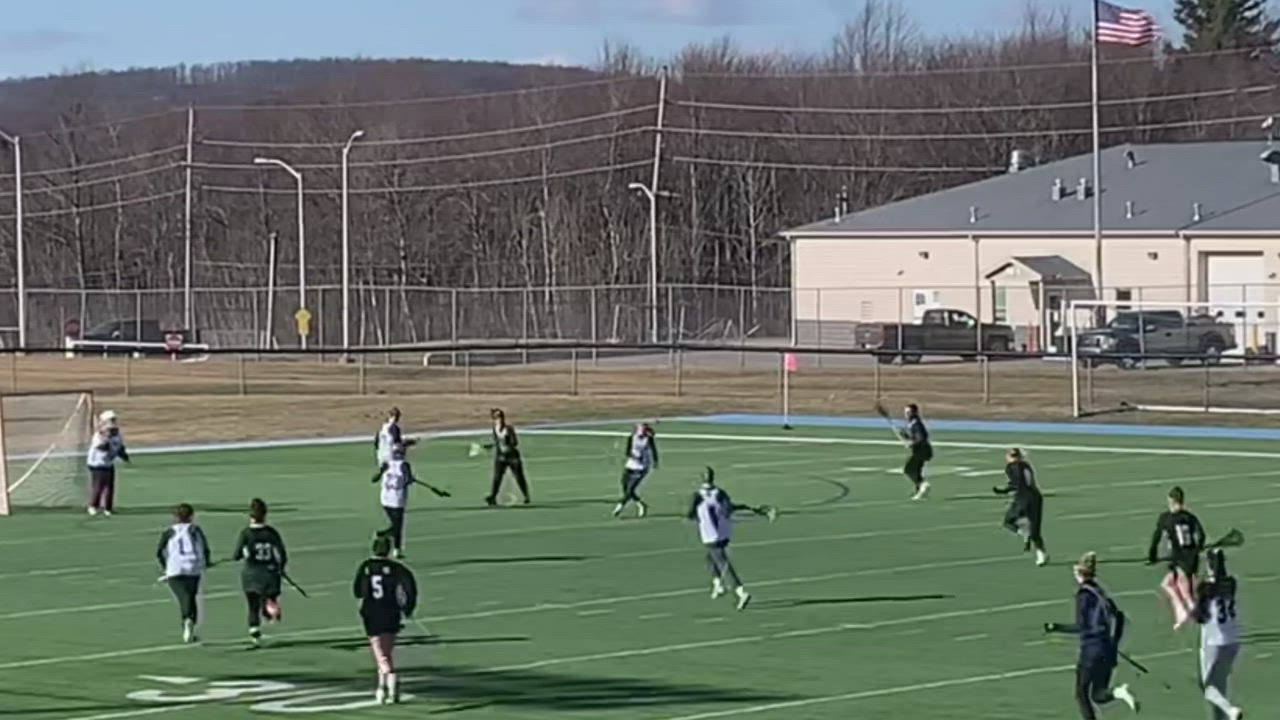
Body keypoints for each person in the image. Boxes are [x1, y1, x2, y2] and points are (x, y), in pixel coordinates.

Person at [1045, 552, 1140, 719]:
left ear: (1080, 573)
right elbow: (1119, 617)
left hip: (1091, 650)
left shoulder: (1083, 596)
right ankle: (1118, 692)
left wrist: (1057, 627)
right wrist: (1113, 643)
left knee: (1081, 693)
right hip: (1106, 648)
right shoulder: (1100, 592)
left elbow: (1081, 626)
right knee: (1098, 694)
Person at [353, 534, 419, 704]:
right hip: (391, 613)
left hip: (372, 615)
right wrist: (408, 608)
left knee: (381, 655)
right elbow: (410, 587)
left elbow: (358, 591)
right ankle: (382, 688)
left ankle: (391, 682)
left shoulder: (366, 567)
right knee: (386, 653)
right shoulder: (397, 568)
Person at [687, 467, 751, 611]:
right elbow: (728, 509)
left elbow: (690, 514)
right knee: (709, 558)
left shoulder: (697, 496)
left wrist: (699, 516)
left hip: (710, 535)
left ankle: (740, 592)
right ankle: (718, 584)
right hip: (723, 533)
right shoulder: (720, 493)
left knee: (722, 563)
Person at [1194, 549, 1245, 720]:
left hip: (1214, 641)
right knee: (1219, 688)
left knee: (1208, 687)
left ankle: (1231, 711)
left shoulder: (1205, 589)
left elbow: (1199, 616)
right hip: (1233, 641)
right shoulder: (1230, 584)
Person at [1147, 486, 1206, 630]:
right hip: (1192, 557)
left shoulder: (1166, 518)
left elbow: (1156, 538)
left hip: (1178, 558)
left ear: (1172, 501)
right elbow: (1201, 535)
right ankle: (1186, 612)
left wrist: (1152, 556)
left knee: (1181, 589)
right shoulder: (1190, 517)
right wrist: (1198, 548)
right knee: (1171, 584)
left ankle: (1186, 610)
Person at [232, 498, 288, 647]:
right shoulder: (271, 533)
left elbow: (236, 555)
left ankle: (254, 631)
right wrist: (281, 568)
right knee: (270, 597)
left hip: (251, 574)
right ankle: (270, 609)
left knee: (252, 605)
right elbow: (282, 554)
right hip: (269, 573)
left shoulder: (246, 533)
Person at [156, 503, 211, 644]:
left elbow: (159, 552)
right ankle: (189, 621)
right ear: (191, 516)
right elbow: (204, 548)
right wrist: (206, 562)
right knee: (191, 597)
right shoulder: (195, 530)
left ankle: (188, 621)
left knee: (183, 597)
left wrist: (165, 567)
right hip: (192, 568)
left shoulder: (169, 532)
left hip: (175, 569)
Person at [993, 448, 1047, 566]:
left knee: (1008, 522)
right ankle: (1041, 554)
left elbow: (1015, 484)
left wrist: (1002, 491)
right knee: (1035, 530)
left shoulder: (1011, 467)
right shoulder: (1026, 465)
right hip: (1036, 497)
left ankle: (1024, 531)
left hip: (1022, 498)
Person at [372, 443, 415, 559]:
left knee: (395, 524)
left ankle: (390, 539)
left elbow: (375, 478)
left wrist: (381, 472)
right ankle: (395, 547)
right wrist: (410, 479)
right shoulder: (404, 465)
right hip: (397, 499)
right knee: (398, 525)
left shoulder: (387, 464)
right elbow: (407, 481)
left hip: (385, 499)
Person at [86, 409, 129, 516]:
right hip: (97, 463)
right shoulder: (99, 435)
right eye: (110, 420)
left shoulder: (116, 434)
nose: (113, 422)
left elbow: (120, 446)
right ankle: (93, 506)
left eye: (114, 420)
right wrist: (107, 438)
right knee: (99, 485)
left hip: (108, 463)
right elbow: (101, 447)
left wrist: (123, 454)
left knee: (109, 486)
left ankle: (108, 508)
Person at [484, 408, 529, 506]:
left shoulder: (508, 429)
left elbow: (515, 443)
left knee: (519, 476)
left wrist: (508, 441)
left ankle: (526, 496)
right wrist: (490, 446)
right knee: (497, 477)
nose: (499, 419)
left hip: (512, 457)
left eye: (500, 417)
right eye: (497, 417)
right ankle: (493, 497)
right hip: (501, 457)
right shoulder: (495, 429)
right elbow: (497, 442)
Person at [613, 422, 659, 518]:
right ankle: (641, 504)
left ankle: (620, 506)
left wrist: (655, 461)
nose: (641, 431)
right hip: (631, 464)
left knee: (631, 488)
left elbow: (654, 450)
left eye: (643, 429)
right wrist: (633, 456)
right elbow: (627, 451)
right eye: (640, 429)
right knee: (625, 486)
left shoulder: (648, 439)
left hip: (642, 467)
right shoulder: (632, 437)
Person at [900, 403, 932, 500]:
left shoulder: (916, 424)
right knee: (916, 471)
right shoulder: (914, 424)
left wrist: (911, 444)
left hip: (921, 451)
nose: (906, 414)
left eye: (908, 412)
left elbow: (921, 438)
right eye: (905, 412)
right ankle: (920, 492)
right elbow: (917, 438)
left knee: (908, 469)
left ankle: (923, 485)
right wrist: (907, 437)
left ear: (914, 413)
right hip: (922, 451)